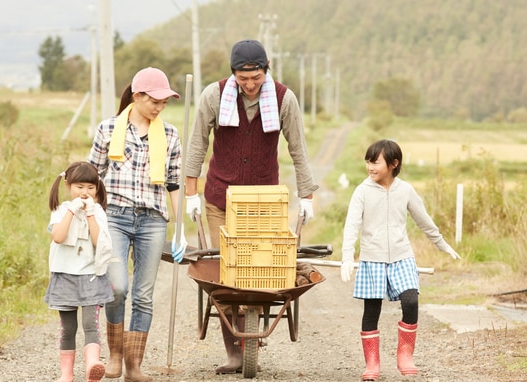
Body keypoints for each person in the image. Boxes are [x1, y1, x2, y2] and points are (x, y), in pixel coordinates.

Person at [184, 39, 318, 374]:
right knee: (225, 275)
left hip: (263, 203)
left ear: (266, 68)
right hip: (220, 199)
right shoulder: (214, 96)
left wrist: (307, 196)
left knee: (257, 270)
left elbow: (298, 148)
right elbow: (197, 143)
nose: (249, 84)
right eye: (243, 78)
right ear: (233, 74)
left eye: (255, 77)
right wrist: (190, 193)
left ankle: (251, 332)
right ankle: (235, 350)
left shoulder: (284, 99)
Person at [87, 67, 186, 382]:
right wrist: (83, 213)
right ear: (137, 96)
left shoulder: (169, 134)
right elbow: (92, 175)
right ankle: (114, 354)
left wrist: (181, 229)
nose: (159, 107)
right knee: (117, 288)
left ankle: (134, 365)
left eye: (164, 102)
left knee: (143, 294)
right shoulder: (108, 129)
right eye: (154, 100)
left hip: (153, 221)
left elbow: (174, 183)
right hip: (114, 216)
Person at [340, 139, 460, 380]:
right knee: (371, 310)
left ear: (393, 164)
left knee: (411, 301)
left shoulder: (405, 190)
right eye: (368, 162)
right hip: (372, 258)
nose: (370, 167)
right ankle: (372, 364)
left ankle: (405, 354)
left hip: (401, 256)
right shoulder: (362, 191)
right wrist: (347, 256)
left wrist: (442, 244)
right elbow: (351, 225)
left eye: (375, 162)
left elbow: (423, 220)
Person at [45, 161, 117, 382]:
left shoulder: (98, 213)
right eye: (79, 187)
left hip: (91, 276)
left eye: (90, 188)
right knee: (68, 328)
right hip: (64, 275)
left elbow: (98, 241)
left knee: (90, 324)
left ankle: (92, 365)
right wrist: (71, 210)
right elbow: (58, 236)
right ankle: (66, 375)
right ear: (68, 185)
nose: (85, 193)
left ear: (97, 189)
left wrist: (90, 214)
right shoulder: (60, 210)